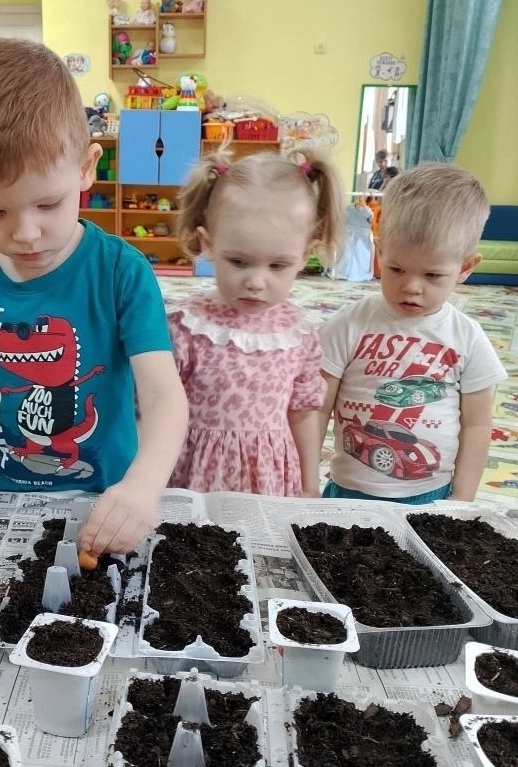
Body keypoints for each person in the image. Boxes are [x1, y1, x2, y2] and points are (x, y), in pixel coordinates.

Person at [0, 38, 188, 556]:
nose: (25, 233)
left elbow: (164, 396)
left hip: (100, 500)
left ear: (86, 167)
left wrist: (143, 487)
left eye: (48, 204)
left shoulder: (120, 271)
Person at [319, 162, 506, 504]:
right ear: (381, 252)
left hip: (429, 498)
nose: (411, 287)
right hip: (348, 494)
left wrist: (462, 497)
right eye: (396, 269)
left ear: (465, 268)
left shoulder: (468, 338)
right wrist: (303, 480)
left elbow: (477, 425)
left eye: (432, 275)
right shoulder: (347, 325)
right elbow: (316, 408)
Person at [166, 145, 344, 497]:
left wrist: (310, 486)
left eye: (278, 265)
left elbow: (303, 412)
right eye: (239, 262)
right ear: (208, 243)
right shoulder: (185, 327)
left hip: (270, 478)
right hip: (193, 476)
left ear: (305, 255)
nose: (256, 282)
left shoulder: (299, 334)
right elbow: (153, 410)